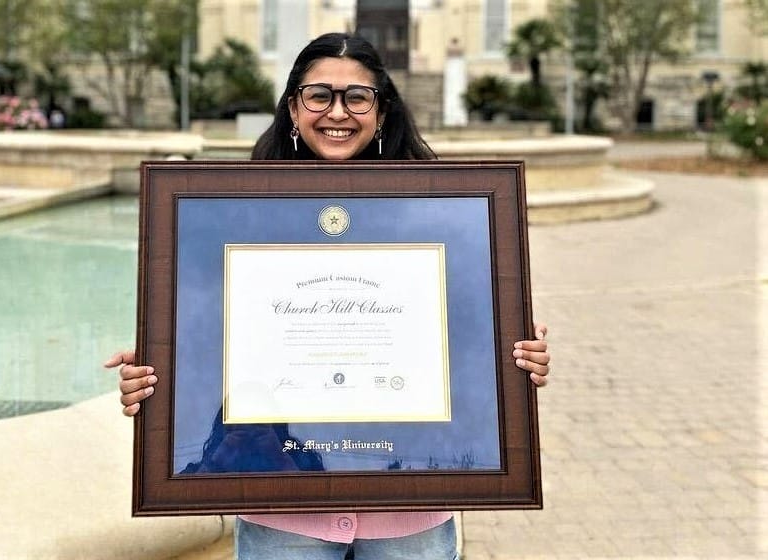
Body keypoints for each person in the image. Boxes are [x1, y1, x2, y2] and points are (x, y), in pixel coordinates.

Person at [105, 32, 550, 560]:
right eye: (319, 95)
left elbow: (469, 329)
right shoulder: (235, 213)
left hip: (408, 512)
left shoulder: (442, 215)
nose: (337, 111)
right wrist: (163, 363)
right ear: (294, 107)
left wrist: (515, 354)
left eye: (357, 97)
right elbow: (204, 326)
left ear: (381, 112)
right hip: (283, 506)